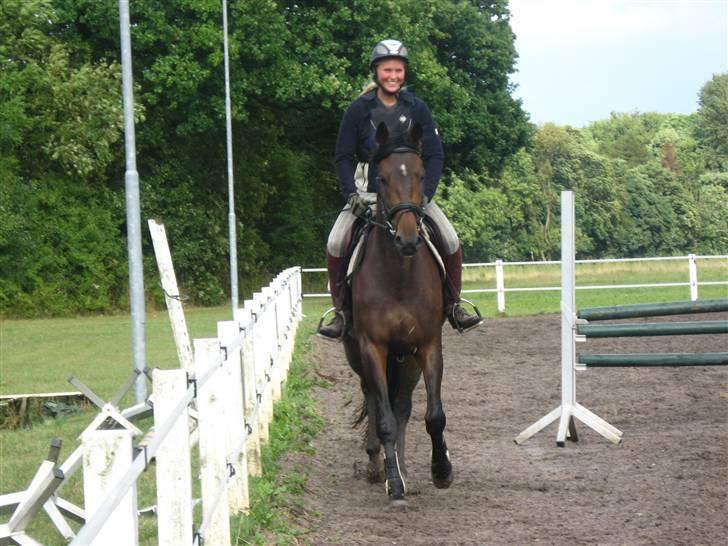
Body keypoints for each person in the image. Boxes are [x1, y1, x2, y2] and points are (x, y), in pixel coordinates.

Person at [317, 39, 482, 339]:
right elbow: (342, 156)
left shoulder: (417, 107)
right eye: (386, 70)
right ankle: (341, 312)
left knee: (450, 238)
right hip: (367, 193)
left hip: (412, 196)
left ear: (404, 73)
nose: (392, 75)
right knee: (336, 242)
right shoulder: (358, 110)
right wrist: (350, 195)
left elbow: (434, 155)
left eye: (398, 70)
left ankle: (454, 304)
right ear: (376, 72)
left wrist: (426, 193)